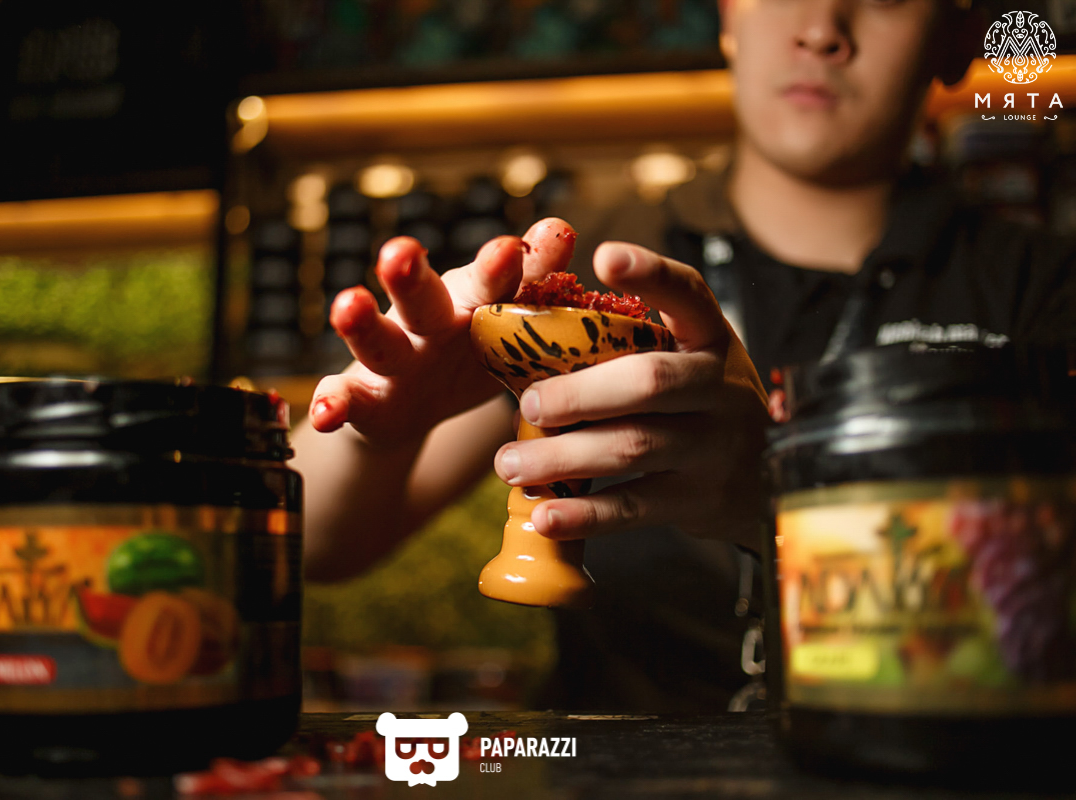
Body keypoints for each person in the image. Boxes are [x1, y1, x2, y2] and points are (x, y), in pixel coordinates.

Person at [290, 0, 1076, 712]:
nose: (821, 29)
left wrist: (778, 508)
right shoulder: (595, 260)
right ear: (727, 16)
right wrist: (373, 432)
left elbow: (1039, 620)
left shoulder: (1040, 289)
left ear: (958, 36)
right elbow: (315, 544)